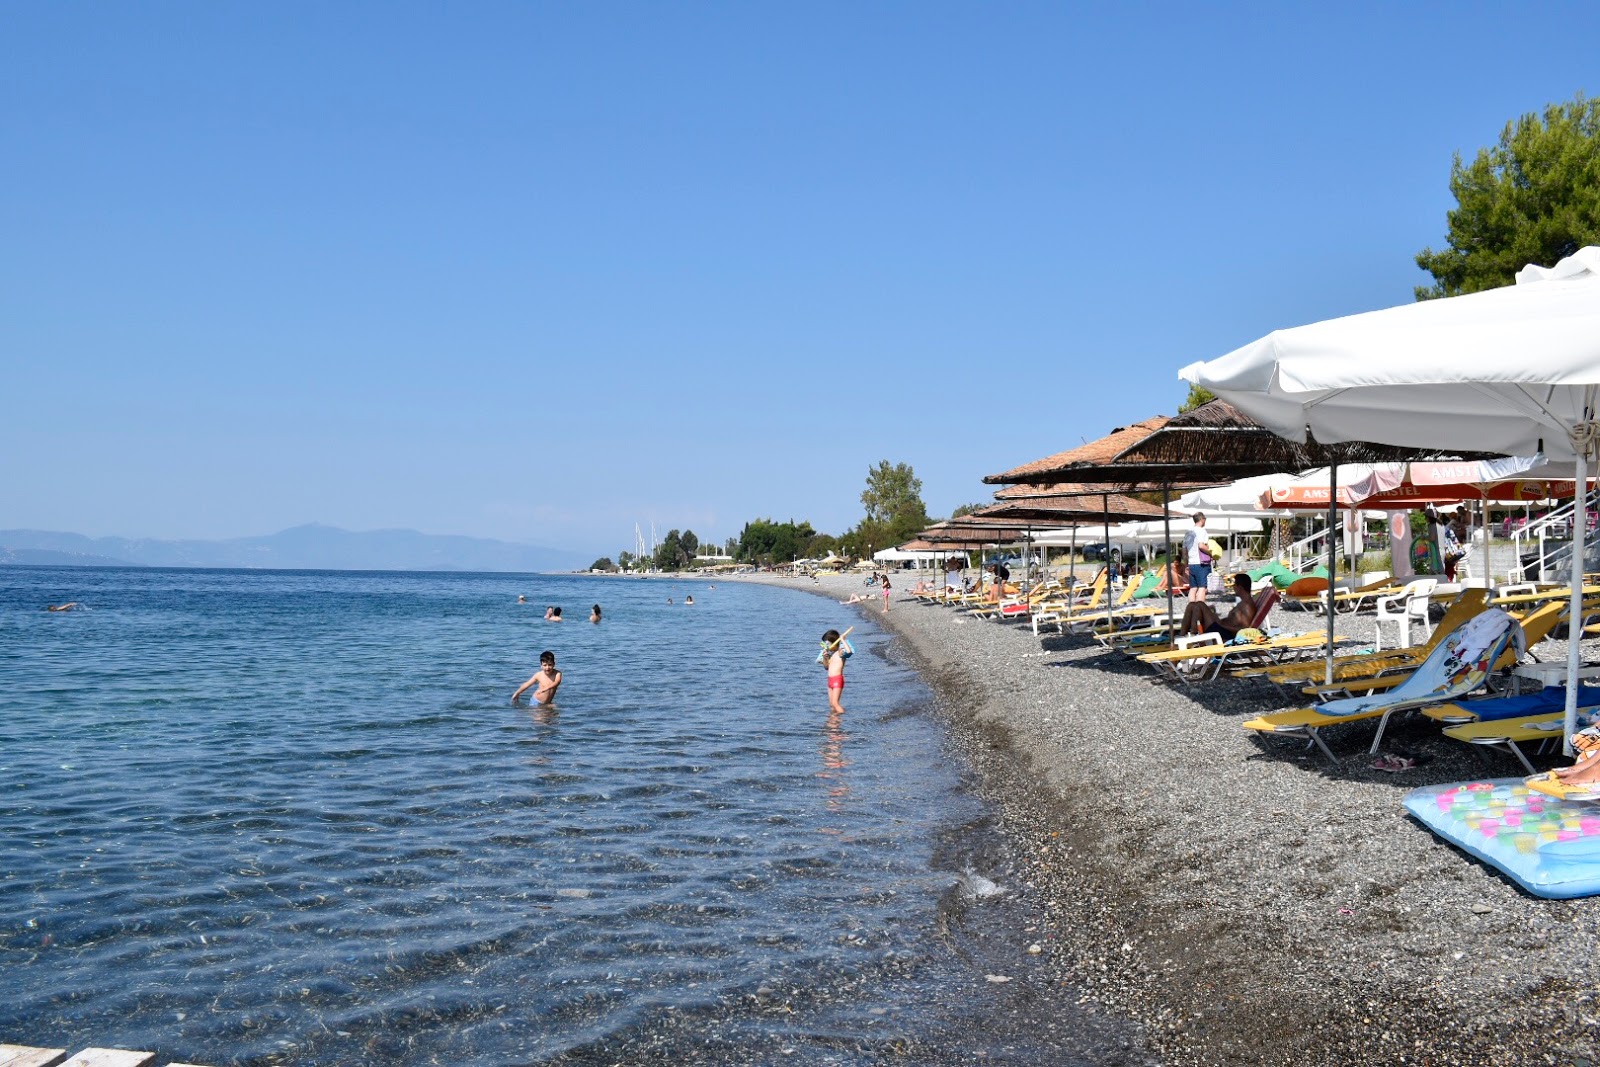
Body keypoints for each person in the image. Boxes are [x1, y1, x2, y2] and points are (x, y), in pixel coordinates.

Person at [1180, 572, 1258, 639]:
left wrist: (1221, 624)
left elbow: (1244, 629)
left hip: (1225, 634)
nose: (1233, 587)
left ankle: (1193, 635)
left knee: (1200, 604)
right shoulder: (1243, 603)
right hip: (1221, 629)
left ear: (1240, 587)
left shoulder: (1247, 606)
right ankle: (1182, 635)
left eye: (1234, 585)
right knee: (1192, 605)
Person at [1183, 512, 1211, 603]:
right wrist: (1211, 553)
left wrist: (1186, 563)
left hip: (1191, 563)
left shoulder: (1188, 532)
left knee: (1193, 588)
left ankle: (1191, 608)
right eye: (1205, 519)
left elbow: (1184, 549)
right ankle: (1199, 609)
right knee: (1202, 588)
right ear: (1202, 520)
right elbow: (1201, 546)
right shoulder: (1202, 531)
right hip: (1201, 563)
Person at [820, 629, 847, 714]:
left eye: (827, 644)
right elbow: (826, 667)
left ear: (834, 642)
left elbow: (849, 651)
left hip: (837, 679)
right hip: (830, 680)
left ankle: (845, 719)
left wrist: (842, 640)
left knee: (835, 703)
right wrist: (825, 658)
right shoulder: (830, 655)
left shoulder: (840, 652)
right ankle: (833, 721)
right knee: (831, 705)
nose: (826, 646)